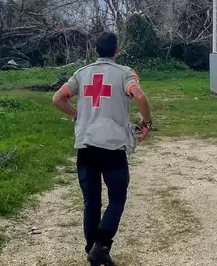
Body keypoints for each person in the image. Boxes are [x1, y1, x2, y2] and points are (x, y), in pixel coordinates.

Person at [52, 31, 153, 266]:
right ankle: (101, 245)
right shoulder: (126, 73)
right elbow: (138, 95)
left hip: (86, 145)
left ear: (95, 50)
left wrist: (77, 114)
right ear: (116, 51)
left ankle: (93, 252)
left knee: (91, 201)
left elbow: (58, 98)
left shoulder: (81, 73)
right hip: (113, 146)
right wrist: (146, 123)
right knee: (117, 198)